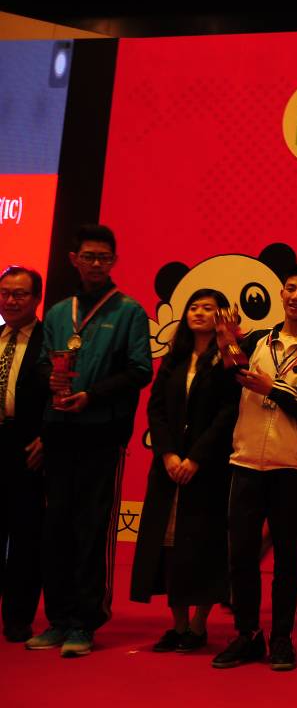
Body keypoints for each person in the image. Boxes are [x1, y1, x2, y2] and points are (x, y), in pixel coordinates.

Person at [27, 225, 152, 658]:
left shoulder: (130, 311)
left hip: (101, 432)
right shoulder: (60, 311)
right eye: (89, 256)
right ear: (73, 259)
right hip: (59, 430)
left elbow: (140, 370)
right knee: (56, 526)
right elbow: (41, 364)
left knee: (91, 527)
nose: (96, 264)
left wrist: (92, 395)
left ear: (113, 261)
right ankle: (58, 619)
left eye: (104, 257)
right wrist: (52, 378)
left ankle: (84, 622)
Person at [211, 263, 297, 671]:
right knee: (241, 555)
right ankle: (247, 634)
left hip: (291, 466)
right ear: (281, 294)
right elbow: (228, 381)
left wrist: (274, 388)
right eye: (290, 288)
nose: (296, 296)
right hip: (246, 460)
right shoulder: (255, 341)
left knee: (286, 558)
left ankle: (282, 638)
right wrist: (224, 341)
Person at [129, 289, 239, 653]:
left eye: (208, 308)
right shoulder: (174, 358)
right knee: (169, 545)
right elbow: (156, 409)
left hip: (208, 468)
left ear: (221, 316)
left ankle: (198, 625)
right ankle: (177, 625)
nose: (199, 313)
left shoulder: (228, 358)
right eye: (194, 307)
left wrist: (196, 458)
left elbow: (229, 412)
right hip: (169, 467)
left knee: (204, 545)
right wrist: (167, 455)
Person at [0, 266, 48, 644]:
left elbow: (64, 393)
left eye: (20, 294)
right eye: (5, 293)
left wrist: (48, 438)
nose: (11, 300)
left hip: (28, 445)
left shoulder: (51, 341)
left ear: (36, 299)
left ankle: (18, 617)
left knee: (26, 535)